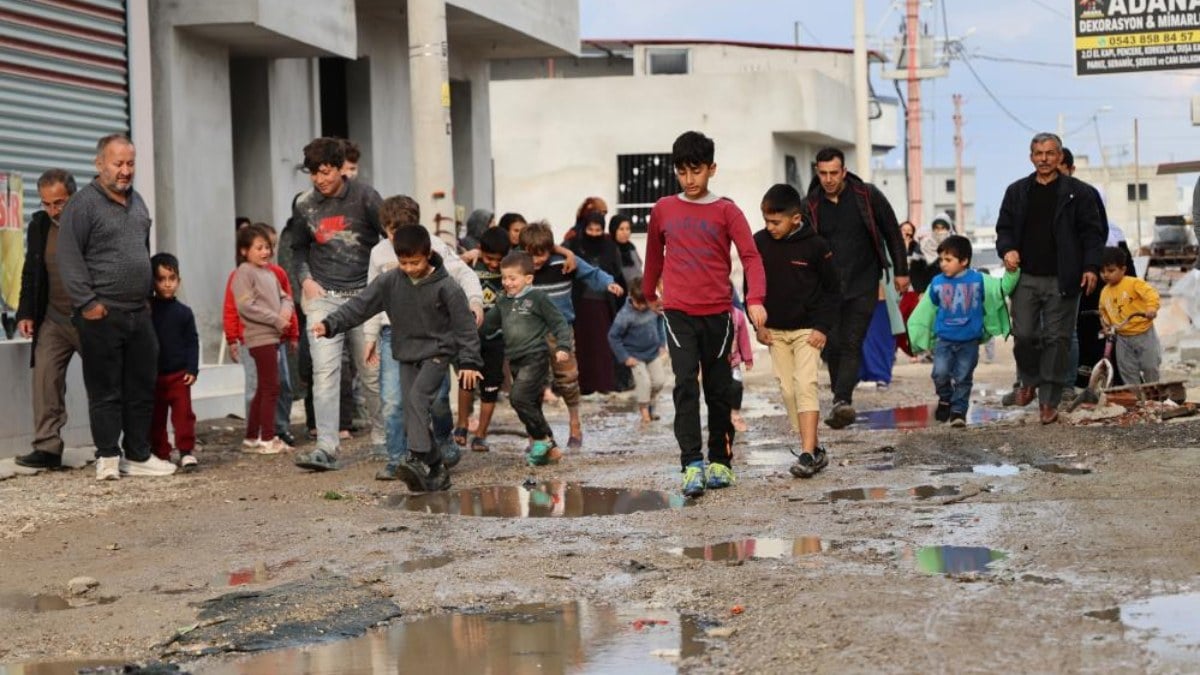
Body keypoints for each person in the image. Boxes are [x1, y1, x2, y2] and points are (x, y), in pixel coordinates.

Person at [642, 130, 767, 498]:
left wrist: (755, 297)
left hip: (719, 313)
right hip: (678, 311)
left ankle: (720, 461)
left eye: (696, 170)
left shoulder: (727, 210)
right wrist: (650, 292)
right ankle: (691, 463)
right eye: (682, 172)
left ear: (712, 169)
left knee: (718, 388)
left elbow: (750, 256)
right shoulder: (663, 208)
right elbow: (653, 256)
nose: (689, 179)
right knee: (684, 385)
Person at [315, 226, 482, 492]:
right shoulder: (390, 281)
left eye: (415, 262)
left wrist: (470, 362)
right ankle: (437, 467)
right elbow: (361, 306)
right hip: (407, 354)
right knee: (410, 412)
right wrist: (330, 323)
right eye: (403, 262)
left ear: (428, 255)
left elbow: (465, 327)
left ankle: (415, 458)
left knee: (417, 400)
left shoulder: (447, 287)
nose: (409, 268)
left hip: (437, 354)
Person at [57, 134, 176, 479]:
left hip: (139, 312)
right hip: (101, 313)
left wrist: (148, 297)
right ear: (99, 164)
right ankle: (108, 456)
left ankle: (138, 455)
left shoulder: (137, 202)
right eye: (117, 163)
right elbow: (69, 258)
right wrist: (88, 303)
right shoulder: (82, 205)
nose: (125, 171)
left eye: (130, 163)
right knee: (105, 388)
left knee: (141, 385)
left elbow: (142, 248)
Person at [365, 195, 483, 481]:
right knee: (394, 399)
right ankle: (398, 458)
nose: (397, 237)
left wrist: (476, 301)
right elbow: (370, 297)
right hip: (395, 333)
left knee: (436, 399)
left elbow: (463, 274)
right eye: (392, 231)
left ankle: (443, 440)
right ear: (385, 230)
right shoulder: (379, 254)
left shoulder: (434, 245)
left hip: (432, 335)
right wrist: (370, 335)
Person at [996, 132, 1105, 424]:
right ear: (1031, 157)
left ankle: (1049, 401)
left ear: (1060, 157)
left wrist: (1091, 267)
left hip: (1063, 279)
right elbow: (1004, 229)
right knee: (1026, 336)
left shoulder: (1078, 192)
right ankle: (1029, 380)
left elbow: (1093, 234)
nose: (1043, 159)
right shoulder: (1017, 191)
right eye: (1038, 153)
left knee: (1057, 340)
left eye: (1049, 153)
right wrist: (1007, 250)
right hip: (1025, 278)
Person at [289, 137, 385, 471]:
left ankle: (384, 442)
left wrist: (382, 285)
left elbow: (391, 236)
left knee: (371, 373)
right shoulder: (304, 205)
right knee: (325, 373)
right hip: (323, 298)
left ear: (341, 168)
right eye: (313, 173)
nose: (320, 180)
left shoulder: (366, 197)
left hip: (364, 298)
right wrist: (305, 280)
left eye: (326, 172)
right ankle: (326, 447)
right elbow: (296, 248)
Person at [803, 147, 908, 429]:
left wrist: (901, 270)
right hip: (828, 288)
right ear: (817, 172)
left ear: (844, 171)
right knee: (833, 344)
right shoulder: (810, 204)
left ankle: (841, 400)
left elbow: (892, 232)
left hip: (864, 281)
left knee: (852, 342)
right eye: (823, 173)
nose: (828, 179)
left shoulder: (867, 196)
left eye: (833, 173)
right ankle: (841, 399)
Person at [753, 183, 839, 479]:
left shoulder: (817, 246)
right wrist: (758, 325)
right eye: (766, 220)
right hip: (774, 331)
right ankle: (814, 449)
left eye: (775, 222)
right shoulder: (759, 242)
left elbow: (832, 290)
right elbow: (752, 287)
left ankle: (805, 454)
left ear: (796, 219)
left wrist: (822, 328)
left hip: (807, 331)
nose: (769, 227)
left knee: (805, 385)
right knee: (788, 390)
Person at [521, 221, 623, 448]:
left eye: (541, 254)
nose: (536, 260)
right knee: (532, 383)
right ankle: (536, 433)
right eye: (531, 255)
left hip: (560, 332)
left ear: (550, 250)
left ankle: (574, 423)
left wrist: (609, 284)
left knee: (567, 378)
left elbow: (592, 273)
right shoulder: (520, 266)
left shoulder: (563, 263)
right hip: (529, 332)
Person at [907, 235, 1019, 426]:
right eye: (941, 259)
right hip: (944, 341)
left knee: (963, 377)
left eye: (948, 260)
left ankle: (958, 411)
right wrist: (918, 333)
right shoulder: (937, 283)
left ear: (964, 261)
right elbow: (926, 310)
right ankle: (945, 398)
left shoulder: (979, 280)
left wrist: (1012, 272)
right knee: (939, 373)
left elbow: (1001, 289)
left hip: (969, 342)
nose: (943, 264)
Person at [13, 169, 82, 470]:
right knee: (45, 379)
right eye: (46, 203)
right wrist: (26, 312)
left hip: (89, 317)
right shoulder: (39, 226)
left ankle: (114, 447)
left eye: (59, 203)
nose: (53, 210)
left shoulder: (88, 222)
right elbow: (31, 270)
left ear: (73, 197)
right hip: (53, 318)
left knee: (106, 383)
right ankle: (47, 447)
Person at [479, 250, 573, 466]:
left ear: (528, 279)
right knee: (531, 404)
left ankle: (542, 440)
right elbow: (487, 327)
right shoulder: (503, 301)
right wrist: (467, 333)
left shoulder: (537, 298)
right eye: (504, 278)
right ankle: (551, 449)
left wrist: (563, 346)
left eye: (512, 278)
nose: (507, 282)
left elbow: (559, 322)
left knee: (518, 398)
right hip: (515, 360)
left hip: (536, 356)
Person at [223, 222, 300, 447]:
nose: (266, 252)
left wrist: (285, 316)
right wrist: (277, 320)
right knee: (270, 387)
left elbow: (285, 296)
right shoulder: (243, 274)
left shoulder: (269, 273)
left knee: (267, 387)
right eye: (259, 247)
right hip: (259, 337)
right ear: (244, 251)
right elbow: (246, 307)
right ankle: (268, 437)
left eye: (268, 247)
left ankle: (251, 436)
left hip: (274, 336)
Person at [455, 226, 511, 453]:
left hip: (497, 338)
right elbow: (447, 267)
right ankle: (461, 426)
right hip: (470, 337)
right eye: (489, 258)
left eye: (499, 260)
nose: (494, 264)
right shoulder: (470, 265)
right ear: (480, 250)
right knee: (466, 380)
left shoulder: (510, 267)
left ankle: (481, 435)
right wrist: (467, 256)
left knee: (491, 386)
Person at [565, 211, 626, 395]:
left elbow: (616, 271)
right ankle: (584, 385)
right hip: (580, 303)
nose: (593, 233)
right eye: (590, 229)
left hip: (604, 303)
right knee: (583, 345)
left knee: (603, 346)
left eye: (598, 230)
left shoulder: (609, 247)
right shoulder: (574, 246)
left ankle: (604, 384)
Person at [149, 253, 199, 471]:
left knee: (184, 416)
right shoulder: (147, 311)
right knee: (156, 417)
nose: (167, 284)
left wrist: (192, 368)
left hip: (179, 375)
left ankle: (186, 451)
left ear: (179, 280)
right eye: (161, 279)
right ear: (152, 281)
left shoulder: (184, 313)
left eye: (171, 278)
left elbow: (192, 341)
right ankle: (161, 453)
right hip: (154, 375)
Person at [1098, 246, 1161, 385]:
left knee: (1150, 366)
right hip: (1122, 337)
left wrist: (1151, 308)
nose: (1106, 275)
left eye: (1111, 270)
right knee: (1127, 370)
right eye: (1102, 271)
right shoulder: (1104, 292)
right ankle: (1136, 399)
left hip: (1143, 333)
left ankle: (1155, 396)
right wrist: (1106, 325)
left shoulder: (1133, 283)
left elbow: (1151, 294)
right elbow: (1103, 311)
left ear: (1123, 269)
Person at [607, 279, 667, 424]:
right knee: (644, 383)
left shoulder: (653, 307)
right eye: (638, 303)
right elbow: (613, 336)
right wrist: (625, 357)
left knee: (659, 381)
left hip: (653, 352)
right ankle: (645, 413)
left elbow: (660, 321)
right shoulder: (625, 316)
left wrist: (662, 342)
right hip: (635, 356)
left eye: (644, 303)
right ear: (631, 297)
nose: (641, 307)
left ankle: (650, 403)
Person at [728, 291, 754, 432]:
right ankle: (722, 417)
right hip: (715, 361)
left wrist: (748, 358)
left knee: (736, 386)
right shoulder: (710, 316)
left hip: (734, 361)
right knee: (718, 390)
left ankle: (735, 414)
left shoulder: (737, 315)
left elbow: (743, 339)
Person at [609, 213, 643, 286]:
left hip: (637, 293)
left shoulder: (631, 247)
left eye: (628, 229)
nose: (625, 232)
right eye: (621, 229)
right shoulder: (610, 249)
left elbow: (638, 270)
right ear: (614, 230)